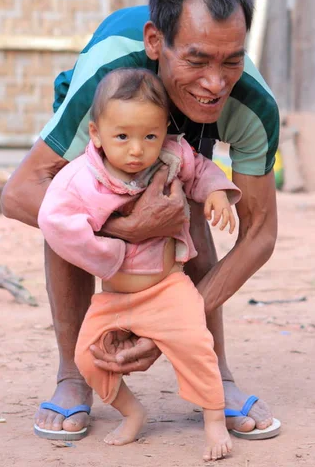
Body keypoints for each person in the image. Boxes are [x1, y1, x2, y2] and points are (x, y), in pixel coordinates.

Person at [1, 0, 280, 442]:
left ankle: (217, 376)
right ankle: (73, 374)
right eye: (196, 60)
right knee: (69, 207)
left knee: (187, 209)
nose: (215, 83)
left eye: (231, 61)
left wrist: (169, 322)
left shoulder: (251, 105)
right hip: (110, 108)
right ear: (156, 42)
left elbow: (259, 234)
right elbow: (21, 193)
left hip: (180, 157)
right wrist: (127, 228)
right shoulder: (108, 76)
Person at [38, 68, 242, 460]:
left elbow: (199, 169)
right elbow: (54, 221)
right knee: (88, 356)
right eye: (122, 137)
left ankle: (214, 419)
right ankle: (131, 412)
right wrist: (109, 254)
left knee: (198, 346)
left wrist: (215, 191)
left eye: (149, 135)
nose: (136, 149)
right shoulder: (81, 179)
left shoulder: (170, 154)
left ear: (164, 130)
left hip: (168, 288)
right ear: (96, 134)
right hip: (113, 297)